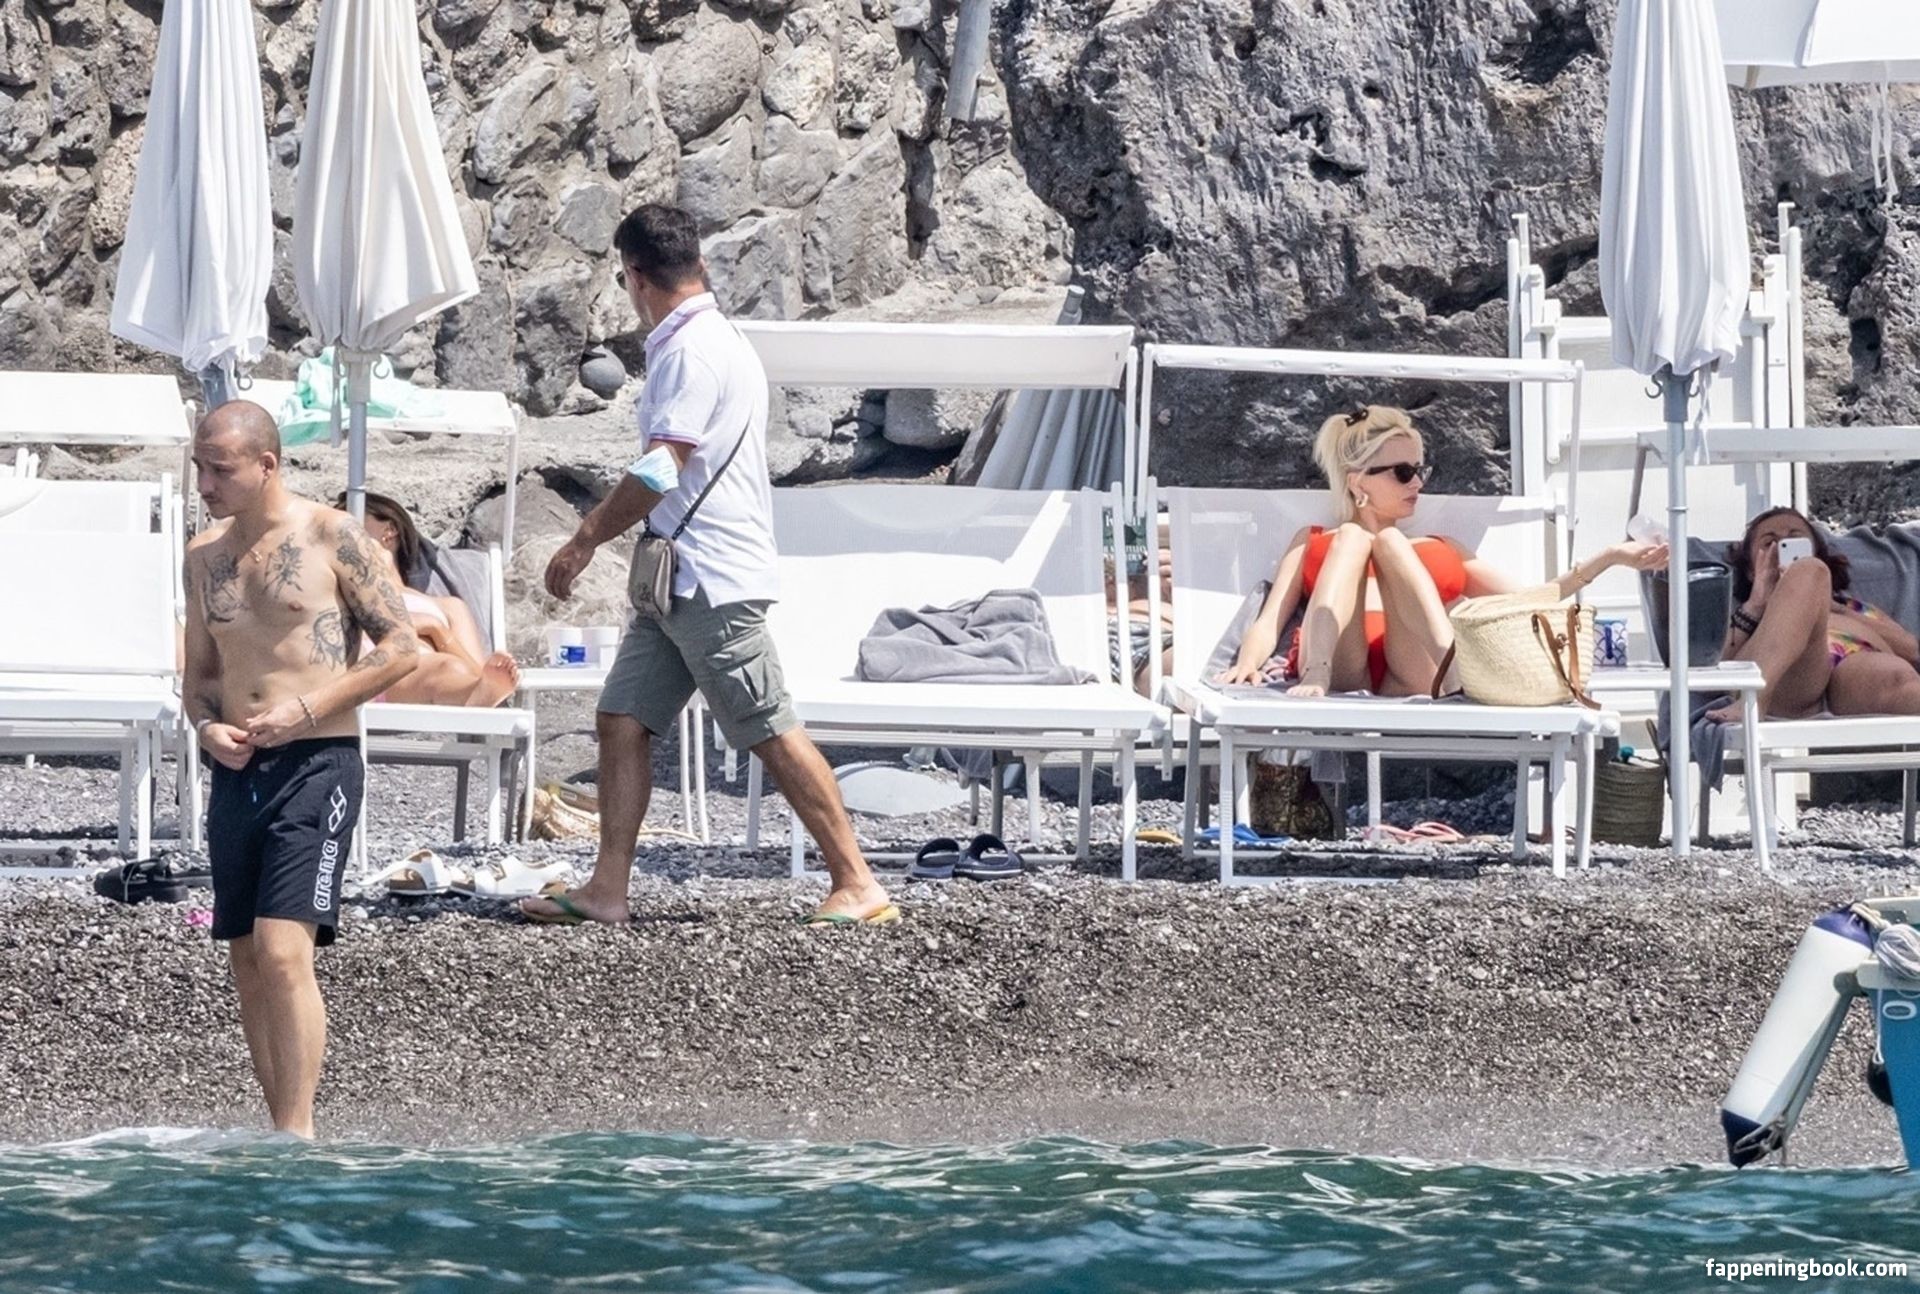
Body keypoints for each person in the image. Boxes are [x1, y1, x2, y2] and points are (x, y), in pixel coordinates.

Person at [521, 203, 894, 928]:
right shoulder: (716, 339)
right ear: (697, 264)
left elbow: (662, 467)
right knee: (622, 719)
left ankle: (857, 882)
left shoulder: (691, 350)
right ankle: (607, 890)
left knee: (767, 727)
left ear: (635, 277)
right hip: (681, 582)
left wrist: (585, 538)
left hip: (710, 579)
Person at [183, 401, 422, 1137]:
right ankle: (280, 1130)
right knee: (247, 958)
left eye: (219, 470)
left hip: (319, 762)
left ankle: (298, 1134)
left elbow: (402, 646)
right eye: (199, 468)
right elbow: (199, 676)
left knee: (285, 951)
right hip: (238, 768)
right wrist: (206, 726)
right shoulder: (203, 555)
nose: (205, 485)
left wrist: (308, 709)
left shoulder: (332, 535)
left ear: (267, 465)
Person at [1216, 404, 1667, 695]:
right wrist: (1246, 665)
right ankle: (1317, 670)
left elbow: (1528, 601)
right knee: (1355, 538)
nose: (1417, 483)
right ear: (1357, 481)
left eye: (1420, 470)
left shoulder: (1440, 549)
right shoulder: (1316, 540)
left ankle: (1454, 668)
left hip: (1416, 668)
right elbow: (1270, 621)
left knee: (1390, 542)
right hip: (1338, 668)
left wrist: (1608, 558)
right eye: (1403, 472)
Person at [1706, 506, 1920, 722]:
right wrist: (1756, 604)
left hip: (1853, 666)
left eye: (1795, 538)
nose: (1781, 545)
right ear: (1751, 568)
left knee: (1901, 683)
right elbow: (1713, 669)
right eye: (1769, 542)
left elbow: (1911, 650)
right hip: (1789, 677)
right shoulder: (1742, 612)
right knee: (1806, 572)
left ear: (1817, 553)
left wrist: (1833, 606)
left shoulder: (1851, 607)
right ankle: (1753, 702)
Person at [336, 492, 520, 708]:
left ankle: (471, 696)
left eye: (351, 521)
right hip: (370, 674)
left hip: (426, 678)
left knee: (452, 670)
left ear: (389, 530)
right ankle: (471, 697)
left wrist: (436, 629)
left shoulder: (448, 606)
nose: (340, 533)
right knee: (443, 668)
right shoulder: (342, 593)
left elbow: (478, 674)